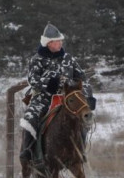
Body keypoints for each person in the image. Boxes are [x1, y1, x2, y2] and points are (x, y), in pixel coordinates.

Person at [19, 23, 96, 164]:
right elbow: (33, 80)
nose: (60, 43)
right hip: (43, 99)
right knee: (30, 118)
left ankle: (80, 151)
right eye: (57, 41)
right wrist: (49, 84)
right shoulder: (36, 60)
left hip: (68, 98)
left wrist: (87, 97)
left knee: (84, 118)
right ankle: (27, 152)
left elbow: (82, 79)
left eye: (61, 41)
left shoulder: (69, 59)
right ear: (48, 43)